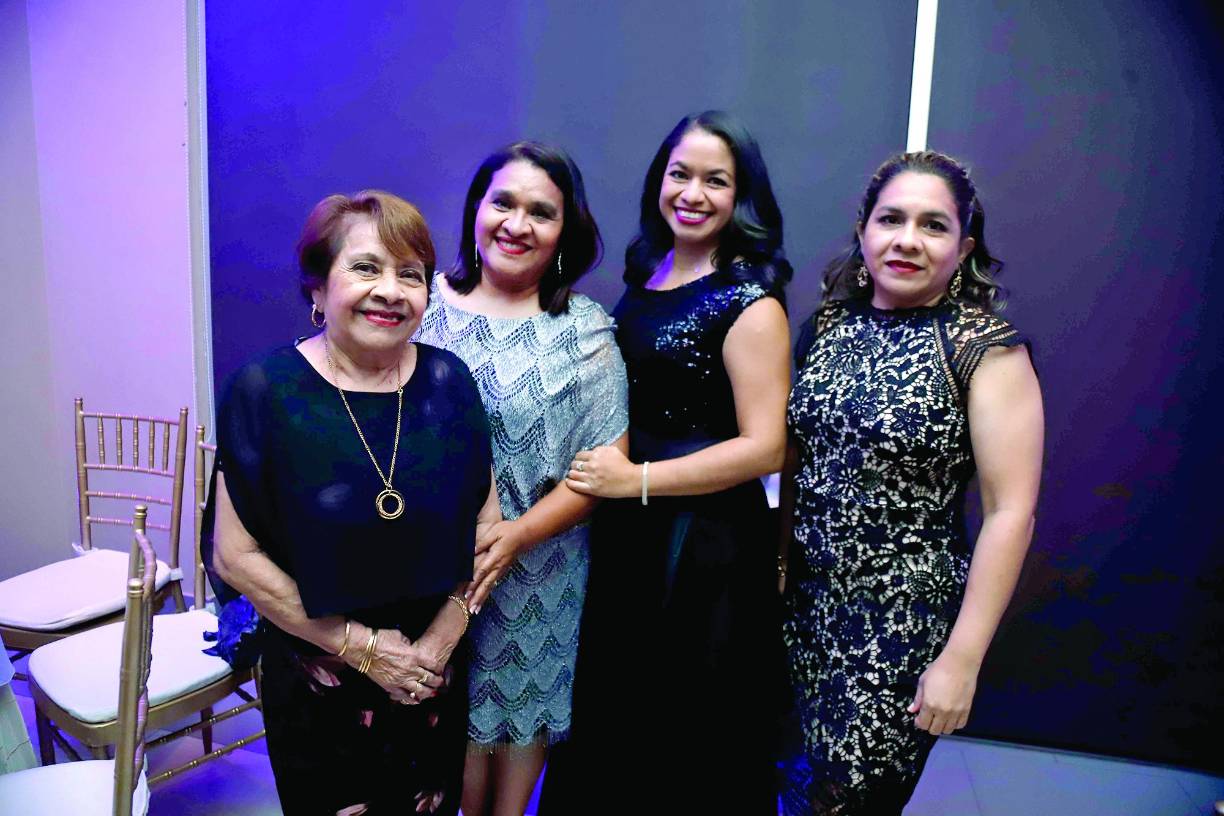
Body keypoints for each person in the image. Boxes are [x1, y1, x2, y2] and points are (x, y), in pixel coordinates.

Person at [207, 190, 500, 816]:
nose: (391, 291)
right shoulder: (264, 392)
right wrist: (366, 649)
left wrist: (438, 646)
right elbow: (235, 556)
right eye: (366, 267)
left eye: (411, 274)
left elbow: (486, 528)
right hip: (322, 682)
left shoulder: (450, 383)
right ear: (317, 286)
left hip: (432, 679)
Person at [780, 151, 1044, 814]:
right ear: (864, 230)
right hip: (799, 614)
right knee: (786, 786)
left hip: (900, 624)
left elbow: (1011, 513)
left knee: (848, 801)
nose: (906, 240)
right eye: (891, 219)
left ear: (964, 246)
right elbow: (792, 463)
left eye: (933, 226)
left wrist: (963, 660)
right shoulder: (827, 328)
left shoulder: (985, 348)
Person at [547, 110, 792, 813]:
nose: (693, 192)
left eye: (716, 181)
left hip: (701, 540)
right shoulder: (646, 272)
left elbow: (764, 446)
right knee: (618, 712)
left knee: (682, 721)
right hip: (632, 527)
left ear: (741, 196)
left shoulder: (750, 300)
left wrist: (638, 481)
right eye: (680, 174)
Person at [414, 141, 629, 816]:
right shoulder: (420, 306)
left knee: (512, 753)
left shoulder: (585, 329)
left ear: (565, 232)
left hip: (540, 570)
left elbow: (604, 467)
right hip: (424, 570)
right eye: (502, 201)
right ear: (475, 208)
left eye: (542, 212)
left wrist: (514, 538)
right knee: (434, 753)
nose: (517, 223)